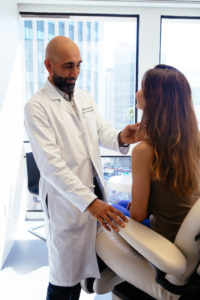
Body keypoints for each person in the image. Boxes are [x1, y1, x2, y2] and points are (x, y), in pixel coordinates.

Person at [24, 35, 141, 300]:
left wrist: (123, 137)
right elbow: (51, 166)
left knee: (92, 269)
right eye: (68, 66)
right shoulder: (36, 107)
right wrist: (90, 203)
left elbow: (103, 132)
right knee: (65, 280)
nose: (75, 73)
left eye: (79, 65)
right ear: (48, 66)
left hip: (95, 194)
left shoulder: (85, 97)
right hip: (68, 204)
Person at [95, 64, 200, 298]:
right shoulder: (195, 139)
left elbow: (139, 215)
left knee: (101, 223)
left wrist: (137, 205)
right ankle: (119, 271)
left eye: (142, 87)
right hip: (189, 240)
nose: (138, 92)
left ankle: (122, 275)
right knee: (119, 207)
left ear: (154, 98)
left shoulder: (144, 151)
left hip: (166, 247)